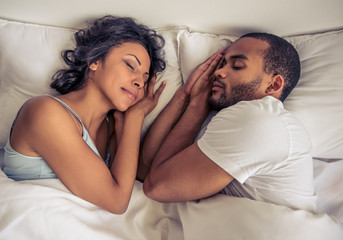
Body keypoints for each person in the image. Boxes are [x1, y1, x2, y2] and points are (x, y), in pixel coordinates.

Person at [3, 16, 166, 214]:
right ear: (95, 61)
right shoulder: (45, 113)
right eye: (131, 66)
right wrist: (135, 118)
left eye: (145, 78)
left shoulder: (111, 125)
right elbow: (117, 202)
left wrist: (185, 100)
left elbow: (135, 178)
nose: (140, 82)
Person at [141, 32, 317, 212]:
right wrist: (184, 96)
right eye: (223, 63)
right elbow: (145, 171)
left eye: (238, 66)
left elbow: (155, 186)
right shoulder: (227, 121)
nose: (218, 72)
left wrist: (195, 109)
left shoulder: (259, 119)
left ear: (273, 85)